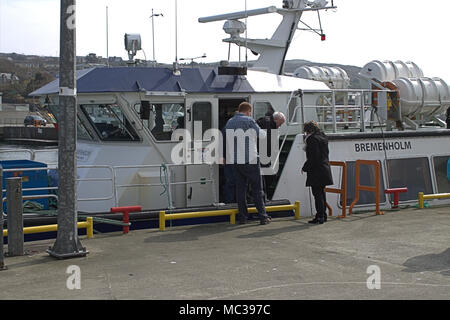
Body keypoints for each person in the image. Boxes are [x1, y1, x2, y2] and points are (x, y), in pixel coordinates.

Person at [224, 102, 271, 225]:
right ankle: (263, 216)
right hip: (250, 159)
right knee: (257, 189)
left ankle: (243, 217)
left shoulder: (229, 122)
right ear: (248, 111)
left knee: (241, 190)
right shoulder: (249, 121)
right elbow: (262, 135)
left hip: (236, 160)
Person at [301, 120, 333, 224]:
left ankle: (320, 216)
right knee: (322, 193)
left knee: (317, 195)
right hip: (324, 168)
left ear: (308, 130)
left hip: (316, 171)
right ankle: (323, 215)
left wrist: (305, 167)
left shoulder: (312, 139)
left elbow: (313, 157)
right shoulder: (323, 137)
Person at [256, 111, 286, 199]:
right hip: (263, 156)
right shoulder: (268, 126)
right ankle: (263, 197)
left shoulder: (265, 121)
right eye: (280, 123)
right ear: (276, 119)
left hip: (261, 155)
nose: (280, 126)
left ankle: (263, 196)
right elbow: (267, 143)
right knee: (268, 176)